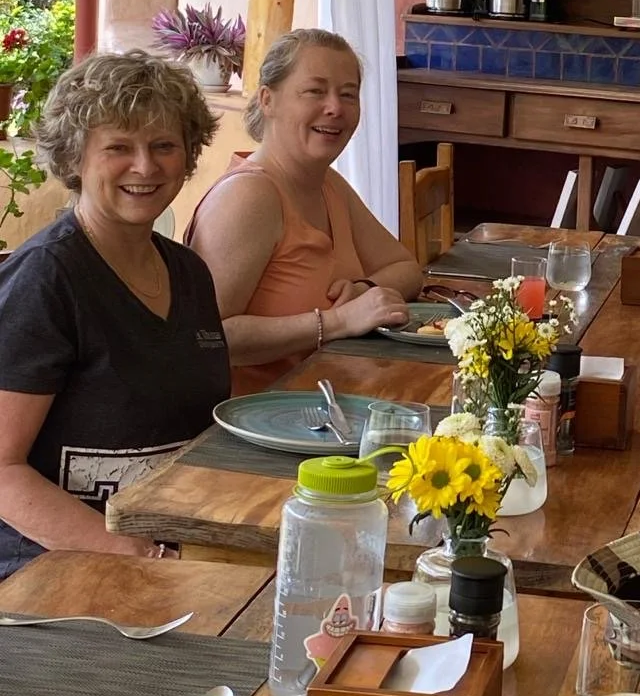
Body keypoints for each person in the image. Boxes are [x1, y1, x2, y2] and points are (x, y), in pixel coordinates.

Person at [0, 51, 231, 576]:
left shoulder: (190, 274)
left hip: (174, 550)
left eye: (164, 146)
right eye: (118, 148)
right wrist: (141, 557)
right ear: (75, 158)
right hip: (47, 567)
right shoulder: (47, 278)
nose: (145, 167)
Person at [188, 28, 422, 393]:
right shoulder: (250, 196)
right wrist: (336, 321)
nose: (336, 108)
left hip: (330, 403)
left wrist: (366, 288)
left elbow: (408, 270)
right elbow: (207, 337)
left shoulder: (329, 185)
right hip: (252, 424)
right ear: (268, 100)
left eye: (349, 94)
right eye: (315, 91)